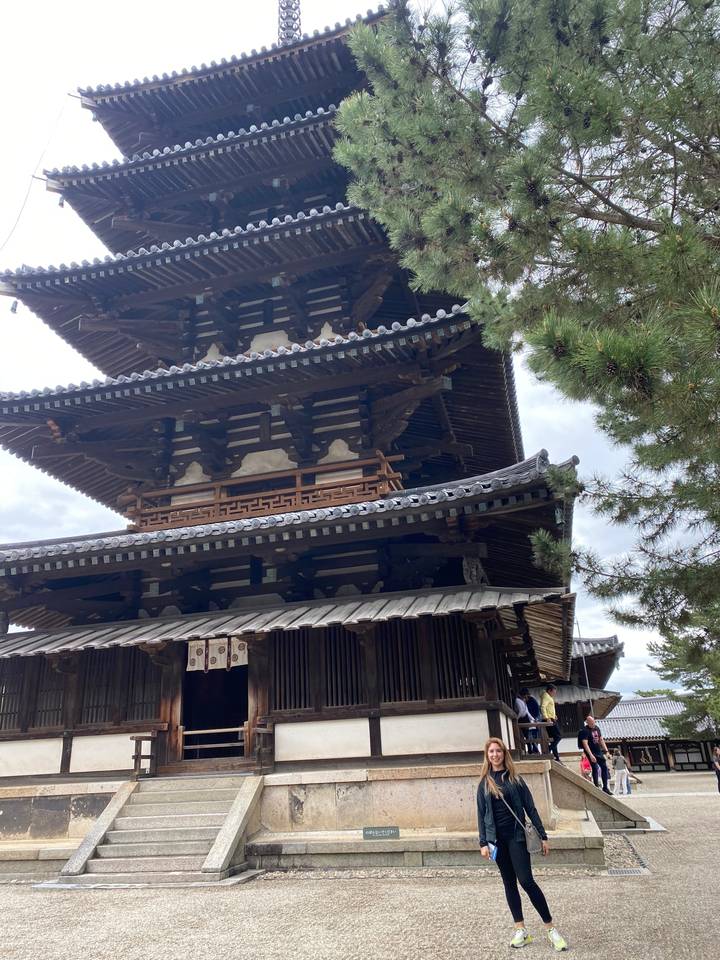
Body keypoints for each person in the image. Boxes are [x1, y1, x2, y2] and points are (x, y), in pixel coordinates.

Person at [477, 737, 568, 951]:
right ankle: (521, 929)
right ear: (487, 755)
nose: (495, 755)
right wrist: (483, 842)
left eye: (498, 751)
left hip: (516, 836)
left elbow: (531, 808)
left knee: (526, 881)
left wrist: (543, 835)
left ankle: (550, 928)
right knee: (509, 883)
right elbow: (481, 815)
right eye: (491, 752)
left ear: (504, 753)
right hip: (496, 840)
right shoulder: (484, 782)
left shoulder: (515, 779)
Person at [579, 715, 612, 794]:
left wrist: (606, 751)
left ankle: (605, 787)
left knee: (604, 767)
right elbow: (585, 744)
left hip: (598, 750)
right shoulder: (585, 730)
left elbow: (601, 740)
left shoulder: (597, 728)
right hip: (590, 751)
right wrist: (590, 755)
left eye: (594, 722)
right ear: (587, 722)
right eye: (591, 722)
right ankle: (596, 786)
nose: (593, 724)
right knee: (595, 768)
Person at [540, 684, 562, 762]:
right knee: (558, 736)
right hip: (549, 720)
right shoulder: (546, 696)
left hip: (551, 718)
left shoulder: (548, 697)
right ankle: (548, 750)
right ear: (549, 690)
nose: (554, 694)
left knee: (553, 739)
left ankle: (557, 757)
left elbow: (549, 708)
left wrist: (553, 715)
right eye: (553, 692)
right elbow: (543, 707)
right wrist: (547, 717)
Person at [514, 689, 538, 755]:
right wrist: (516, 718)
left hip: (523, 718)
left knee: (527, 735)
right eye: (526, 695)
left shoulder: (521, 700)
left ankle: (531, 750)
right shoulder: (518, 700)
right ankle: (530, 750)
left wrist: (532, 719)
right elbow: (522, 711)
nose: (526, 697)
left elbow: (525, 711)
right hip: (522, 718)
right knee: (526, 735)